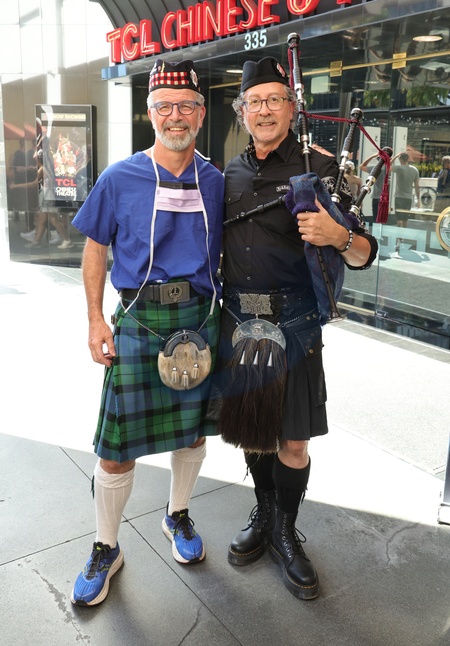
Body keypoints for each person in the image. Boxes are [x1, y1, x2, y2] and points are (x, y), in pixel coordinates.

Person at [213, 57, 378, 601]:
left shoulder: (322, 168)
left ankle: (286, 529)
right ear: (242, 111)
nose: (263, 110)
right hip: (241, 322)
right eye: (253, 102)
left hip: (297, 323)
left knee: (293, 442)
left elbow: (364, 253)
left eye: (273, 100)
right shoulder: (229, 174)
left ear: (291, 107)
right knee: (253, 430)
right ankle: (263, 513)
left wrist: (336, 234)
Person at [69, 59, 224, 606]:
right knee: (117, 450)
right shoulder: (119, 177)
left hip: (200, 319)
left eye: (186, 106)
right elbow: (95, 249)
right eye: (164, 106)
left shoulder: (216, 181)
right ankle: (105, 547)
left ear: (200, 114)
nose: (175, 116)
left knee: (193, 433)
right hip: (138, 319)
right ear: (150, 113)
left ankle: (177, 514)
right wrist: (95, 319)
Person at [390, 152, 419, 228]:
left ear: (400, 159)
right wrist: (418, 200)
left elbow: (388, 166)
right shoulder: (414, 170)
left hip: (399, 197)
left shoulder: (399, 168)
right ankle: (404, 232)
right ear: (408, 159)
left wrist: (395, 157)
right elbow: (417, 186)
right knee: (405, 219)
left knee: (399, 218)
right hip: (408, 198)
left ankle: (399, 233)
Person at [360, 151, 387, 226]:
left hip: (376, 196)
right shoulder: (388, 169)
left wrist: (372, 156)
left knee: (376, 218)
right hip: (385, 197)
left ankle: (376, 231)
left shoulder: (375, 169)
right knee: (383, 218)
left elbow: (361, 166)